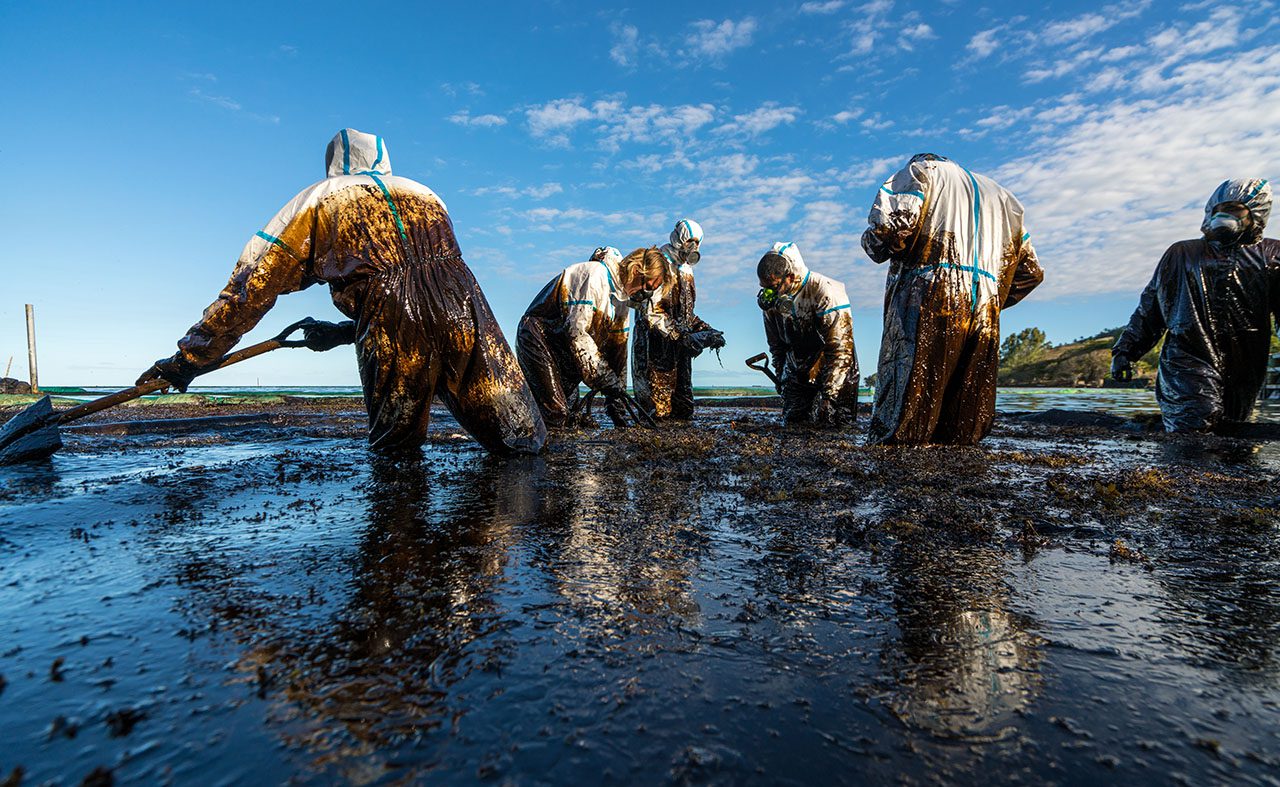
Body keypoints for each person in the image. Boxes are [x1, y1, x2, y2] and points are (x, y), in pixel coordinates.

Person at [136, 129, 546, 455]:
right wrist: (340, 332)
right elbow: (427, 291)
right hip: (467, 306)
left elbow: (252, 288)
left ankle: (401, 552)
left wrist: (189, 357)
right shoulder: (426, 194)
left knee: (397, 451)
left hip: (391, 315)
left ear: (333, 164)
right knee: (520, 435)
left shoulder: (318, 199)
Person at [862, 153, 1043, 445]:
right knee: (965, 415)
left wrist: (870, 243)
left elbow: (890, 230)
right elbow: (1031, 272)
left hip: (928, 292)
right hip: (985, 303)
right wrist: (992, 301)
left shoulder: (922, 172)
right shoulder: (1004, 198)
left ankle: (898, 469)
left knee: (908, 401)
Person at [1111, 179, 1280, 432]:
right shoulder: (1182, 253)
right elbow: (1151, 308)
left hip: (1245, 366)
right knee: (1195, 420)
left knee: (1232, 432)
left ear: (1256, 214)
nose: (1226, 216)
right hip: (1187, 358)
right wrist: (1125, 352)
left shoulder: (1273, 256)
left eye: (1236, 210)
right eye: (1221, 209)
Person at [517, 246, 668, 428]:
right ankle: (534, 453)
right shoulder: (593, 275)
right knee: (556, 414)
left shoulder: (620, 303)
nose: (646, 295)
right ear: (636, 271)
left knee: (570, 413)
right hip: (539, 339)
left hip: (566, 353)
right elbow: (577, 334)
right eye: (648, 287)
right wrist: (604, 379)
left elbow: (617, 353)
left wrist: (616, 405)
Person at [756, 242, 859, 427]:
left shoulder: (825, 292)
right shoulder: (772, 304)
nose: (768, 294)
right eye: (764, 288)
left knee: (837, 423)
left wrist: (829, 395)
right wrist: (781, 376)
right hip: (798, 362)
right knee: (794, 422)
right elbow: (777, 347)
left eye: (773, 287)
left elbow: (840, 349)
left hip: (835, 361)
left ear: (790, 277)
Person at [632, 219, 725, 421]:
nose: (693, 247)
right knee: (657, 409)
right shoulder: (659, 263)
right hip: (655, 346)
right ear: (678, 239)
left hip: (679, 347)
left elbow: (686, 313)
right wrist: (678, 335)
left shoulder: (686, 270)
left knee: (683, 407)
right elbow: (652, 312)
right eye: (689, 241)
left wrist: (705, 330)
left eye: (697, 243)